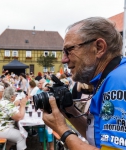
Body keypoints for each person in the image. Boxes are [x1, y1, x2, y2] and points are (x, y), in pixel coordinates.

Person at [43, 17, 125, 149]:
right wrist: (69, 110)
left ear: (99, 48)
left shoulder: (118, 81)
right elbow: (98, 137)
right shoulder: (109, 78)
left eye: (69, 50)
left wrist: (62, 129)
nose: (64, 60)